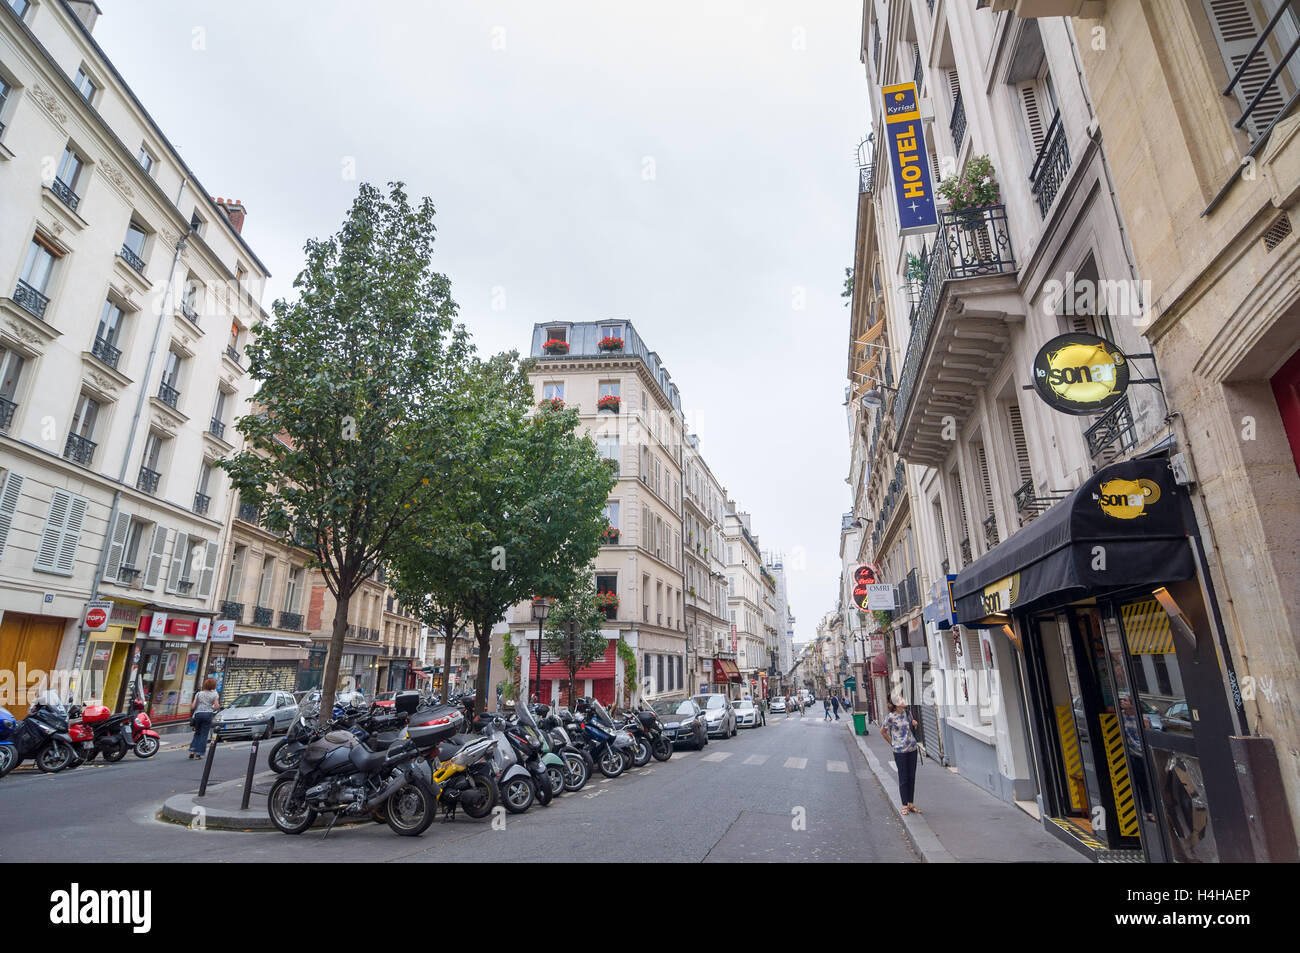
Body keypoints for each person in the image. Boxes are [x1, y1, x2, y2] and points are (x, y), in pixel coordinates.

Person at [880, 694, 921, 815]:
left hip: (912, 749)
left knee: (911, 777)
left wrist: (914, 723)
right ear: (896, 704)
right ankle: (904, 805)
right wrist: (892, 743)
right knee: (903, 778)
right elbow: (882, 731)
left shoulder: (908, 713)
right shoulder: (890, 717)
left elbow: (912, 727)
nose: (904, 700)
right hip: (900, 752)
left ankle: (911, 804)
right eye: (901, 699)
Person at [189, 678, 220, 759]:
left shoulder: (199, 694)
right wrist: (211, 708)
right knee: (204, 735)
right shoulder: (215, 695)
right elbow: (217, 706)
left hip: (198, 714)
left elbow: (193, 706)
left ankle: (192, 750)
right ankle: (198, 754)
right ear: (213, 686)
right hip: (208, 714)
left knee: (197, 733)